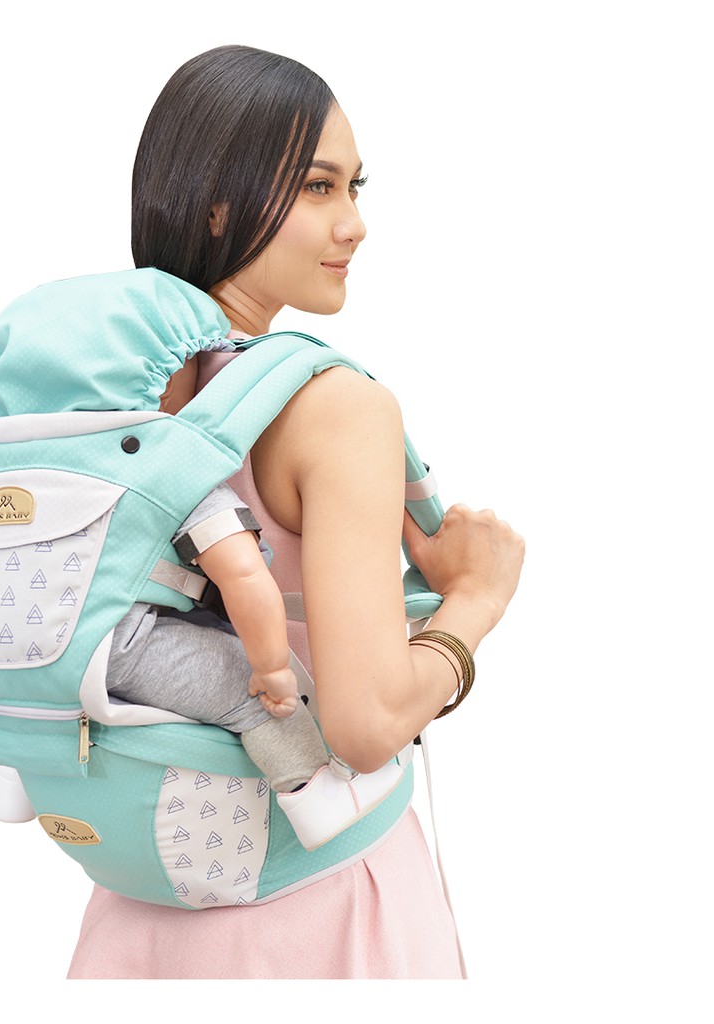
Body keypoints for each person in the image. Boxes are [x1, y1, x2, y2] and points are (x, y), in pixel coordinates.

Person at [67, 44, 524, 979]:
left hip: (139, 906)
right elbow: (364, 723)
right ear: (217, 204)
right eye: (318, 188)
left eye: (356, 187)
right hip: (323, 908)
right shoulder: (335, 409)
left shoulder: (96, 397)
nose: (354, 223)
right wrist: (476, 600)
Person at [107, 475, 407, 852]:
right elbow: (243, 573)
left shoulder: (34, 465)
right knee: (249, 687)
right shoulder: (169, 468)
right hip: (115, 645)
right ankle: (318, 793)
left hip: (37, 658)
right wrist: (271, 668)